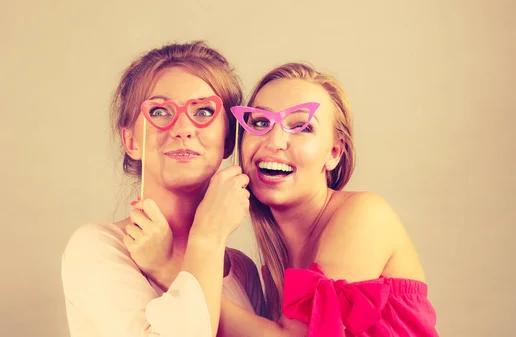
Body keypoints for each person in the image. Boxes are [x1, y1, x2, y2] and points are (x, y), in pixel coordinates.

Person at [60, 41, 265, 337]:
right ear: (131, 142)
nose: (182, 127)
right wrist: (207, 236)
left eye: (205, 111)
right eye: (159, 111)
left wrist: (171, 263)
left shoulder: (242, 271)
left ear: (228, 140)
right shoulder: (97, 247)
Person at [218, 62, 439, 336]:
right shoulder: (272, 264)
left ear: (333, 153)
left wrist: (175, 271)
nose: (274, 142)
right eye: (261, 122)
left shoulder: (365, 215)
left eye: (302, 127)